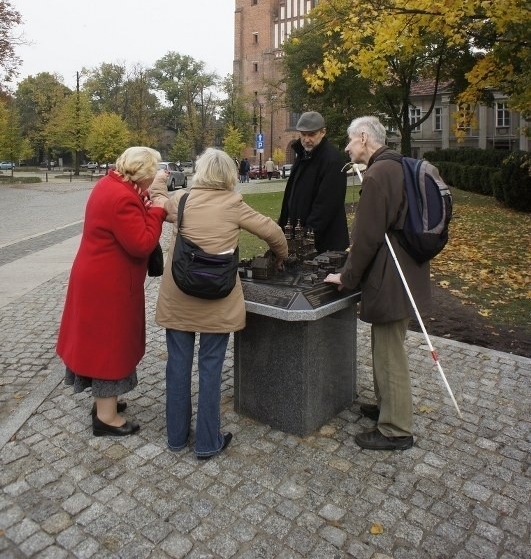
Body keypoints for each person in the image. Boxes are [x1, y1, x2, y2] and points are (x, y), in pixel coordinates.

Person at [151, 147, 288, 459]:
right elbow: (272, 232)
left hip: (179, 297)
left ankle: (175, 436)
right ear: (228, 176)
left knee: (177, 367)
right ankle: (207, 441)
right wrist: (282, 255)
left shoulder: (181, 201)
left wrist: (160, 180)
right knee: (211, 369)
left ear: (200, 173)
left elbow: (157, 201)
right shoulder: (233, 204)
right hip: (218, 298)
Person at [324, 116, 431, 450]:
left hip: (391, 275)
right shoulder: (399, 165)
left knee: (389, 352)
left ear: (365, 137)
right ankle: (388, 405)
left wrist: (346, 277)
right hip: (406, 269)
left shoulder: (379, 173)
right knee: (386, 344)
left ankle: (396, 429)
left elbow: (366, 237)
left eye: (350, 141)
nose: (347, 147)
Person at [56, 147, 168, 437]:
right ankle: (106, 418)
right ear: (142, 174)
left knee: (100, 344)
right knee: (109, 348)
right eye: (152, 173)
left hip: (99, 279)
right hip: (108, 286)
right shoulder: (121, 198)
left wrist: (145, 197)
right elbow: (142, 243)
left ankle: (106, 404)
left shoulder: (110, 184)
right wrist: (157, 208)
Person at [278, 111, 349, 252]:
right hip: (300, 237)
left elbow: (326, 205)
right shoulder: (303, 155)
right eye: (303, 135)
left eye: (311, 134)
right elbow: (291, 194)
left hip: (324, 243)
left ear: (323, 132)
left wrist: (306, 236)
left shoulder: (332, 160)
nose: (306, 139)